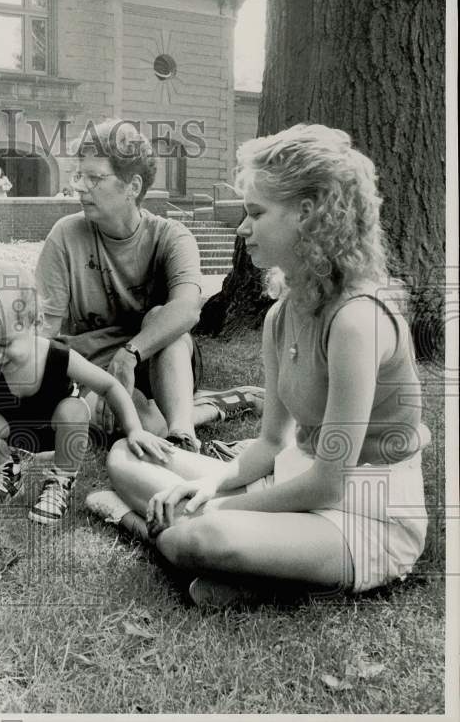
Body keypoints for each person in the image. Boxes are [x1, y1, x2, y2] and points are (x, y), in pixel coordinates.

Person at [87, 123, 430, 606]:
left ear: (309, 216)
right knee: (127, 456)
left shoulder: (358, 320)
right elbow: (271, 443)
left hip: (364, 514)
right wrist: (210, 484)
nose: (242, 228)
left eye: (255, 213)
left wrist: (221, 503)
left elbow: (330, 483)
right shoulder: (280, 316)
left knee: (197, 535)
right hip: (289, 483)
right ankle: (249, 572)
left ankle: (143, 527)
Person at [36, 119, 262, 451]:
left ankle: (184, 435)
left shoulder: (171, 236)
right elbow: (46, 328)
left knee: (161, 316)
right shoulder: (65, 235)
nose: (80, 187)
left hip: (159, 360)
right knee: (136, 427)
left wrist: (129, 354)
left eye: (95, 178)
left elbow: (186, 310)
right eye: (78, 176)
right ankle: (214, 405)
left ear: (133, 185)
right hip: (92, 370)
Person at [0, 261, 175, 524]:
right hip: (15, 434)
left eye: (4, 343)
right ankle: (6, 472)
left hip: (58, 432)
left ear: (34, 323)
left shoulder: (58, 357)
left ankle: (60, 480)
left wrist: (134, 429)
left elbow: (109, 385)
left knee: (73, 409)